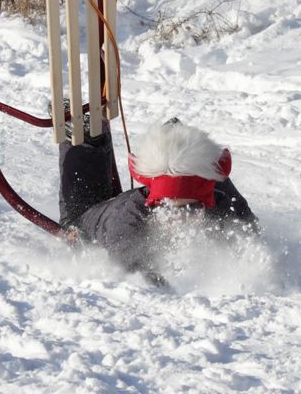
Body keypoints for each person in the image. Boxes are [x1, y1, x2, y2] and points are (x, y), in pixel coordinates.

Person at [59, 117, 257, 282]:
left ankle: (175, 139)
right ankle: (84, 140)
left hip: (176, 190)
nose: (182, 218)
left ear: (206, 202)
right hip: (89, 219)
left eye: (192, 208)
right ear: (155, 204)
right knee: (81, 198)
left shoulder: (221, 204)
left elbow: (249, 234)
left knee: (211, 174)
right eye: (169, 208)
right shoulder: (128, 222)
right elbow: (131, 269)